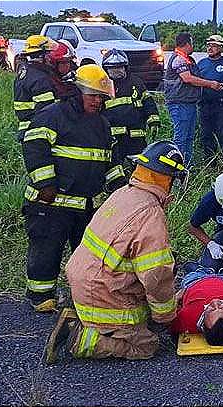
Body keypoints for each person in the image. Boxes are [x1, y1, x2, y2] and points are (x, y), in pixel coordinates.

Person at [44, 140, 187, 363]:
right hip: (101, 292)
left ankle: (88, 320)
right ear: (168, 179)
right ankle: (79, 337)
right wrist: (166, 315)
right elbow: (155, 274)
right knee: (147, 346)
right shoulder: (150, 213)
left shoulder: (124, 193)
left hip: (83, 279)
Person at [21, 64, 124, 312]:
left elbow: (110, 161)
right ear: (77, 92)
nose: (97, 102)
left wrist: (120, 189)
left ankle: (82, 296)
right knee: (47, 250)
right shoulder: (53, 115)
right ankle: (40, 296)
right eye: (92, 96)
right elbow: (34, 145)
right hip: (50, 205)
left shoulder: (102, 124)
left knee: (86, 257)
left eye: (101, 97)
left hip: (85, 207)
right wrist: (45, 183)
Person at [163, 32, 223, 167]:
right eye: (192, 43)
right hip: (179, 104)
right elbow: (188, 78)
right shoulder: (179, 59)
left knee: (189, 137)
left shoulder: (188, 59)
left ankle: (187, 167)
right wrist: (211, 84)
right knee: (181, 138)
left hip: (188, 103)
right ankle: (177, 169)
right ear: (187, 44)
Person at [169, 263, 223, 346]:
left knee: (191, 273)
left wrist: (177, 297)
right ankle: (221, 270)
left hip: (195, 282)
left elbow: (170, 318)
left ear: (203, 326)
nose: (215, 302)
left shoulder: (187, 321)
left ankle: (200, 268)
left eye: (211, 309)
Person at [102, 49, 161, 167]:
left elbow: (148, 102)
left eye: (119, 67)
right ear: (105, 69)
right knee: (114, 166)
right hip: (113, 138)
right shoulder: (102, 86)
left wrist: (153, 121)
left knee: (139, 165)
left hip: (136, 137)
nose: (116, 71)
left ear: (126, 67)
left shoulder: (136, 83)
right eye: (112, 68)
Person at [197, 34, 223, 161]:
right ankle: (209, 161)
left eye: (213, 46)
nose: (210, 48)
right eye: (208, 45)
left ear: (221, 48)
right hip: (205, 105)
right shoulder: (201, 64)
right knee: (206, 134)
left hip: (222, 106)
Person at [13, 35, 59, 135]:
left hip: (25, 127)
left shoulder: (25, 72)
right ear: (41, 55)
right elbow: (47, 110)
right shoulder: (41, 78)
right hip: (37, 130)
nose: (51, 57)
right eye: (49, 53)